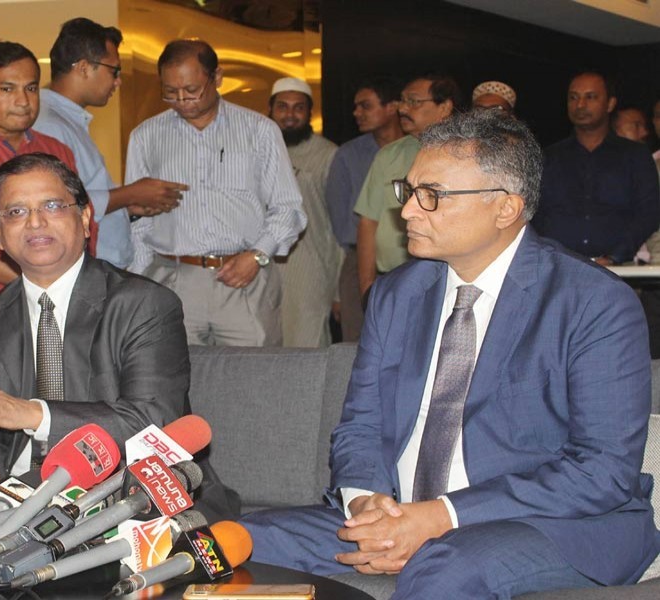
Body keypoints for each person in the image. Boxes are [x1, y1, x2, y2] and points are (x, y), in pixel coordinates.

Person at [241, 109, 660, 599]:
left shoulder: (593, 302)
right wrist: (367, 507)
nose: (408, 211)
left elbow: (601, 471)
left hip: (547, 524)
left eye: (431, 196)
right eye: (409, 190)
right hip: (402, 509)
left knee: (442, 567)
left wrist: (439, 518)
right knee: (232, 543)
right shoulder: (397, 294)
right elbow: (361, 426)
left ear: (505, 208)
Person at [0, 153, 238, 521]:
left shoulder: (144, 304)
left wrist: (31, 413)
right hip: (17, 508)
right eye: (15, 212)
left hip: (131, 497)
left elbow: (151, 422)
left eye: (52, 205)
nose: (34, 221)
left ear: (85, 218)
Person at [127, 40, 305, 346]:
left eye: (192, 89)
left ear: (217, 78)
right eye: (170, 92)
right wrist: (138, 283)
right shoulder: (146, 137)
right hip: (173, 279)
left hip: (245, 278)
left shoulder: (259, 130)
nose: (182, 100)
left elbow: (287, 207)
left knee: (253, 381)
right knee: (177, 385)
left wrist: (258, 254)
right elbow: (138, 221)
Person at [34, 17, 187, 269]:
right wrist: (131, 193)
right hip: (82, 269)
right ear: (84, 67)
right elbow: (57, 204)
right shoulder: (50, 124)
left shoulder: (68, 120)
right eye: (114, 71)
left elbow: (86, 197)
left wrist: (127, 207)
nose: (118, 81)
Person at [0, 41, 96, 305]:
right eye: (7, 89)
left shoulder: (56, 149)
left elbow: (81, 221)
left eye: (31, 88)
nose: (23, 101)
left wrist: (72, 286)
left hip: (64, 298)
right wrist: (44, 286)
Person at [534, 70, 659, 265]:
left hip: (620, 271)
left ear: (610, 104)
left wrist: (614, 256)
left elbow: (649, 212)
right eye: (573, 98)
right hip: (557, 269)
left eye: (591, 97)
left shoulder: (634, 155)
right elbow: (535, 213)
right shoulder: (549, 156)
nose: (580, 105)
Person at [355, 74, 460, 306]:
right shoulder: (388, 155)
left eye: (413, 101)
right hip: (390, 281)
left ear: (444, 107)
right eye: (402, 101)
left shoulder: (464, 156)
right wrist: (367, 289)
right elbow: (367, 223)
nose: (402, 109)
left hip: (447, 283)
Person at [326, 77, 403, 342]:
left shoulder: (418, 150)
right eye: (356, 106)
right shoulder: (348, 155)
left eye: (365, 106)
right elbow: (340, 220)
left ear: (393, 107)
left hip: (410, 260)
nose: (356, 113)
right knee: (358, 343)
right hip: (359, 261)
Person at [268, 77, 340, 347]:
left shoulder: (329, 154)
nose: (290, 115)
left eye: (298, 108)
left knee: (306, 345)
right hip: (261, 269)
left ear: (310, 112)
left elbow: (337, 225)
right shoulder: (257, 150)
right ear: (271, 110)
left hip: (310, 269)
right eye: (283, 107)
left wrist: (338, 291)